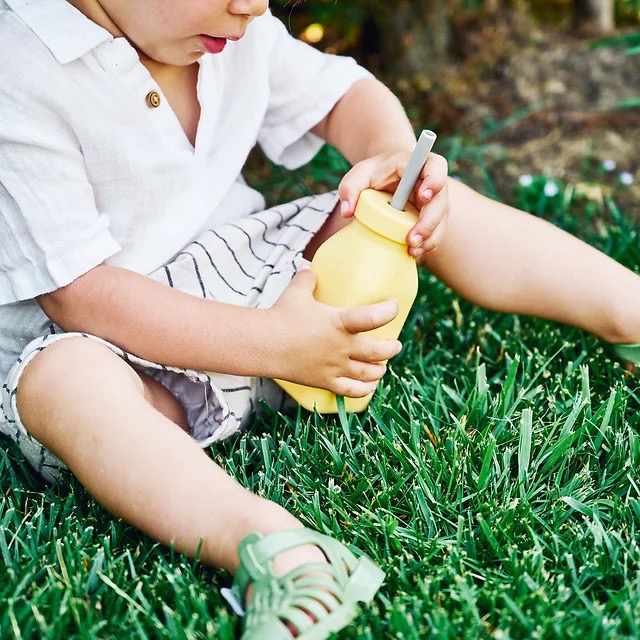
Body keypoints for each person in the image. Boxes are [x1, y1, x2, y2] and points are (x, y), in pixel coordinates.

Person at [1, 0, 639, 638]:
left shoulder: (233, 30)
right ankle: (275, 545)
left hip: (252, 280)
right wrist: (276, 345)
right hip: (121, 354)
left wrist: (392, 161)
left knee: (424, 212)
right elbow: (81, 295)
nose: (252, 5)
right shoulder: (18, 73)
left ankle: (628, 309)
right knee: (68, 383)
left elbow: (342, 96)